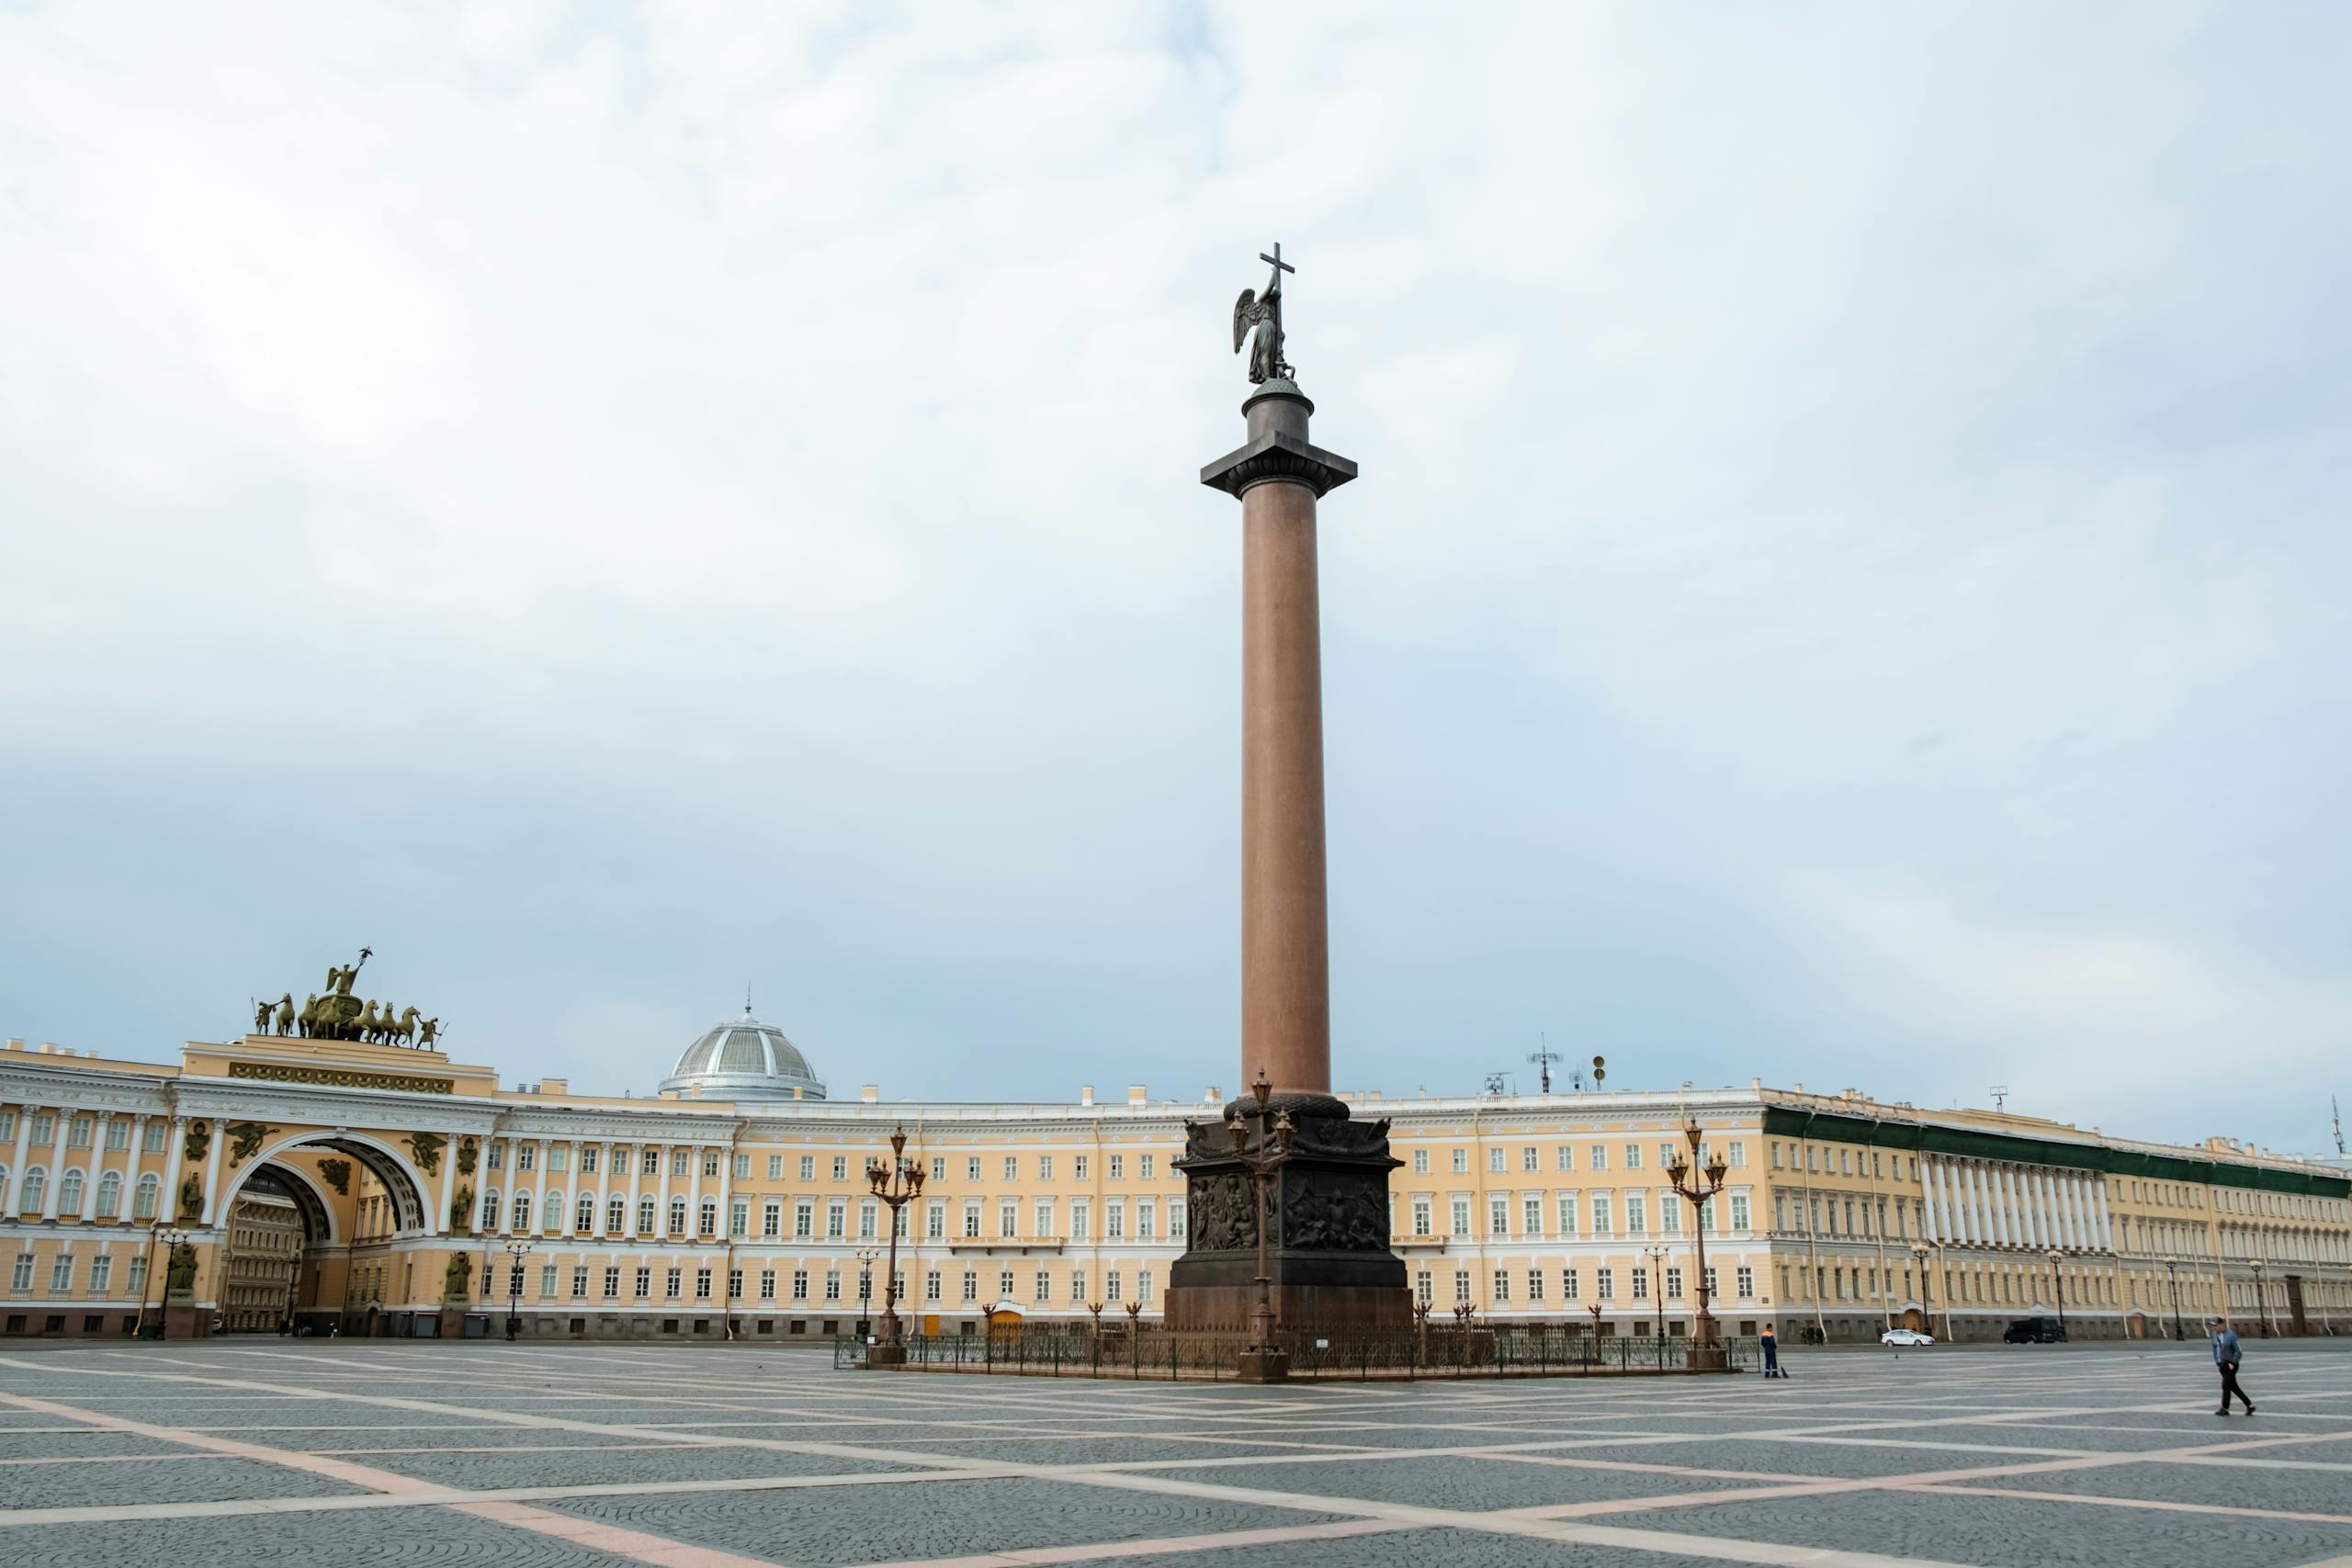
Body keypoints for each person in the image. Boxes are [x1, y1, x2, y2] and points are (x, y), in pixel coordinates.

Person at [2211, 1316, 2255, 1416]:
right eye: (2212, 1326)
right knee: (2233, 1387)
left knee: (2225, 1386)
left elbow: (2238, 1350)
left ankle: (2224, 1408)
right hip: (2222, 1365)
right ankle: (2249, 1405)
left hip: (2231, 1364)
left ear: (2221, 1325)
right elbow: (2215, 1348)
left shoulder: (2231, 1335)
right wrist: (2217, 1360)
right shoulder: (2214, 1335)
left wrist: (2233, 1362)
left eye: (2215, 1325)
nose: (2214, 1328)